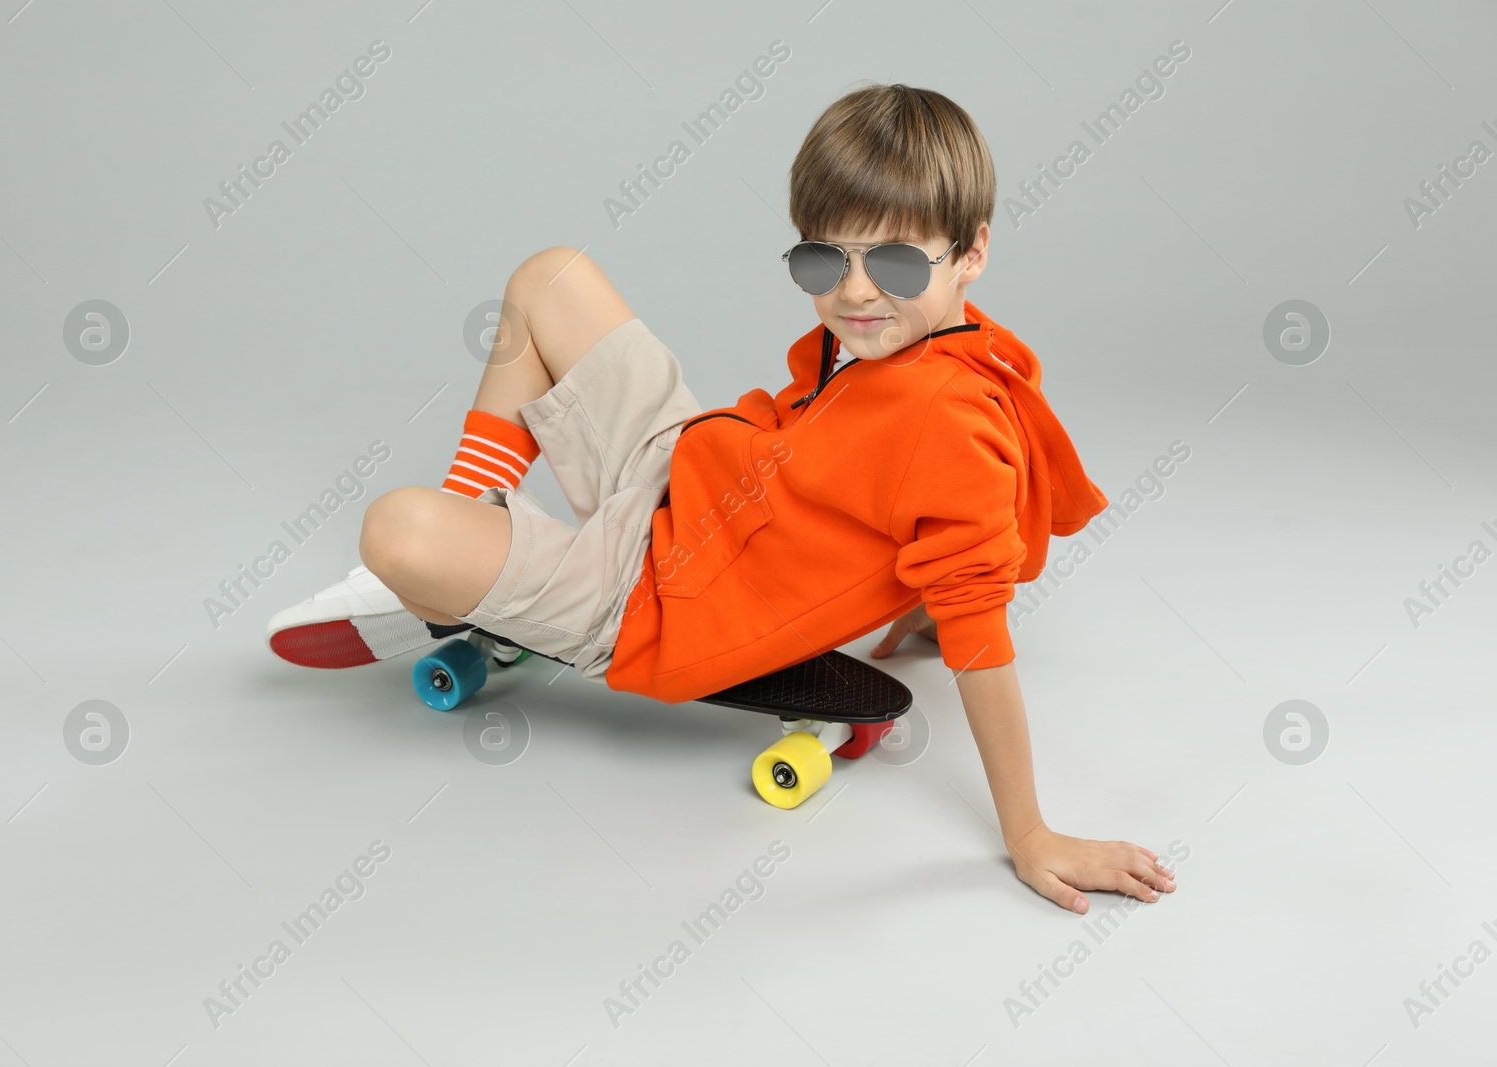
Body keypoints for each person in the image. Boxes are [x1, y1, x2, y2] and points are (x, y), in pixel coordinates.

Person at [267, 83, 1177, 915]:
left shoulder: (951, 414)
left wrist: (1031, 834)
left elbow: (978, 602)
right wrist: (910, 604)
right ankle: (474, 533)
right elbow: (894, 502)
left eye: (896, 265)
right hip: (689, 474)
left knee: (395, 526)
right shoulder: (916, 335)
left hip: (655, 598)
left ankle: (442, 574)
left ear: (973, 251)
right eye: (826, 261)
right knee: (548, 276)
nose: (856, 294)